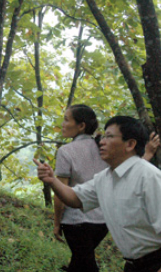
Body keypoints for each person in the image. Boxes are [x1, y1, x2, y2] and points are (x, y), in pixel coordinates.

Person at [35, 116, 161, 272]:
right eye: (103, 136)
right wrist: (52, 180)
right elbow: (75, 198)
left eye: (109, 136)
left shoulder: (148, 175)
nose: (101, 142)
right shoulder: (104, 178)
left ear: (130, 144)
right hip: (133, 264)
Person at [52, 105, 109, 272]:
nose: (62, 124)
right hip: (103, 221)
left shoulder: (66, 151)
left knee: (86, 264)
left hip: (76, 221)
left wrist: (56, 223)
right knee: (80, 261)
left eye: (66, 119)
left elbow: (60, 192)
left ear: (81, 125)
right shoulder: (103, 147)